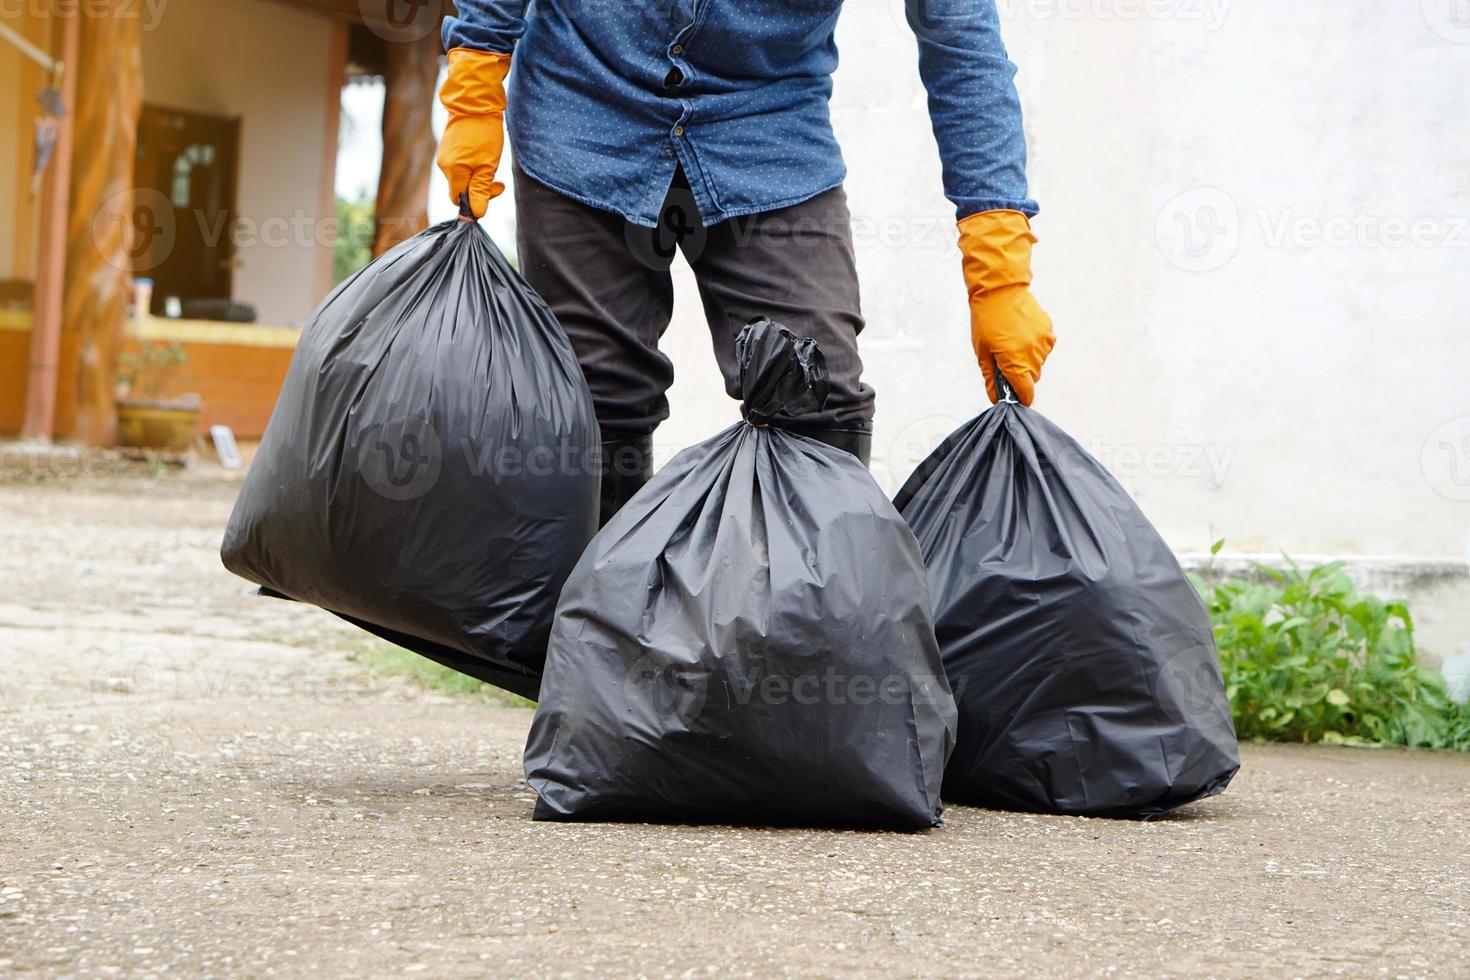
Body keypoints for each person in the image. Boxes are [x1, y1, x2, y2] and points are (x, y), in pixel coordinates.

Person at [436, 0, 1055, 525]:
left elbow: (963, 41)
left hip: (769, 126)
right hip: (585, 103)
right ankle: (583, 652)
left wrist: (998, 262)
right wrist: (477, 72)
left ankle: (799, 648)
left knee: (818, 397)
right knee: (592, 399)